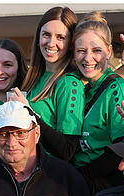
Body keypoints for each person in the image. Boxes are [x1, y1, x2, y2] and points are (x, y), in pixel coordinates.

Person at [23, 11, 124, 193]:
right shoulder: (88, 88)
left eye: (96, 51)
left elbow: (120, 151)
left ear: (109, 51)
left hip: (102, 189)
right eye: (81, 51)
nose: (87, 58)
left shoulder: (117, 88)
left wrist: (78, 176)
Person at [19, 6, 83, 154]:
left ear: (71, 43)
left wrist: (29, 113)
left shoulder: (69, 83)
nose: (51, 43)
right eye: (46, 34)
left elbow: (66, 150)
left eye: (60, 37)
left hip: (47, 173)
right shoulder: (33, 78)